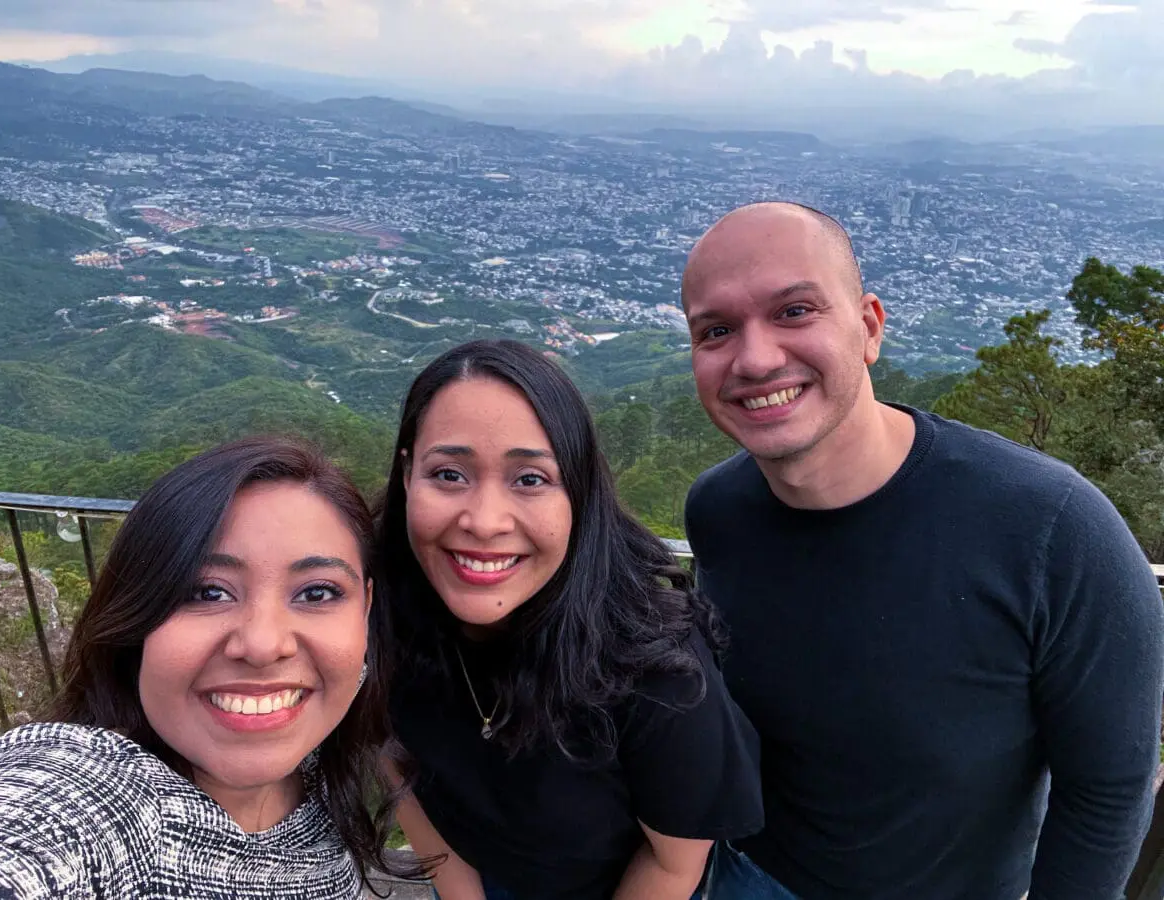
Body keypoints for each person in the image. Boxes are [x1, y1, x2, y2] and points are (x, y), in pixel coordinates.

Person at [681, 200, 1164, 900]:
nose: (755, 358)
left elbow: (1109, 787)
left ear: (869, 327)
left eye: (794, 311)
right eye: (717, 330)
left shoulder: (1052, 529)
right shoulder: (718, 512)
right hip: (741, 878)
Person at [372, 338, 764, 900]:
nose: (484, 522)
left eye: (530, 479)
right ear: (408, 474)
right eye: (449, 474)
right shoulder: (380, 605)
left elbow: (673, 864)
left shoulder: (653, 667)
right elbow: (398, 759)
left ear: (577, 495)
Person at [0, 436, 409, 898]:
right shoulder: (85, 802)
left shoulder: (319, 761)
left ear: (366, 609)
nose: (262, 645)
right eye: (207, 592)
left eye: (316, 593)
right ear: (138, 616)